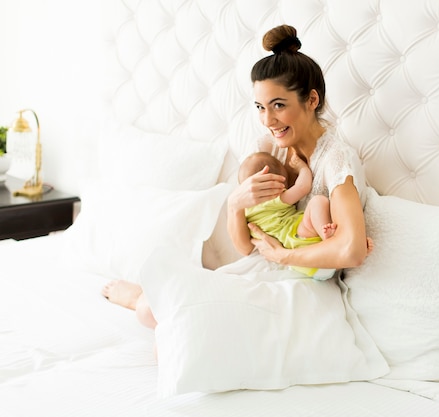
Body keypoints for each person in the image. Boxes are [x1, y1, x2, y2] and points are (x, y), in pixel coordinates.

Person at [102, 24, 371, 330]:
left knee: (168, 317)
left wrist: (282, 256)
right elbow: (245, 247)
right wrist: (235, 204)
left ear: (311, 100)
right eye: (260, 108)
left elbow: (352, 251)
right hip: (264, 269)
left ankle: (144, 299)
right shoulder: (269, 150)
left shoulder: (336, 160)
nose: (268, 120)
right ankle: (142, 297)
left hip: (307, 284)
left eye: (278, 106)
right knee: (152, 309)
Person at [236, 150, 336, 278]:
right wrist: (302, 168)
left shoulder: (246, 213)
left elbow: (244, 246)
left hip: (302, 265)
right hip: (302, 240)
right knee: (318, 202)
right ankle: (330, 239)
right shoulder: (271, 200)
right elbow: (303, 186)